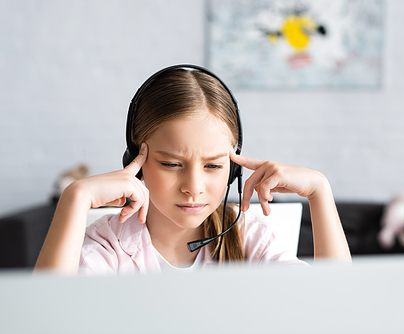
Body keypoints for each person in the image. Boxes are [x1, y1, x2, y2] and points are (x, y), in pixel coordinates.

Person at [35, 65, 351, 275]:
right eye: (172, 164)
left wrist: (320, 191)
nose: (193, 187)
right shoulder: (110, 247)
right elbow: (45, 321)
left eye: (213, 165)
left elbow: (335, 313)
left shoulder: (248, 237)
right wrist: (74, 197)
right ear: (135, 160)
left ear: (234, 168)